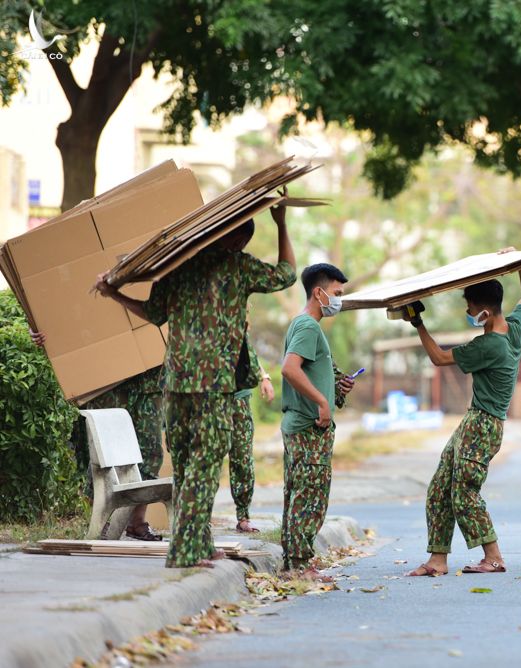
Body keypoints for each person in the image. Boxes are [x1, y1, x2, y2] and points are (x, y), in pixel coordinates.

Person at [93, 202, 296, 568]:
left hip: (176, 384)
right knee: (205, 467)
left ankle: (200, 544)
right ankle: (184, 552)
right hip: (212, 386)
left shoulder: (178, 266)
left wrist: (115, 294)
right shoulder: (238, 266)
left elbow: (154, 314)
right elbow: (286, 274)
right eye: (243, 242)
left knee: (186, 467)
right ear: (235, 241)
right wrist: (281, 223)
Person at [404, 249, 521, 577]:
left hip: (484, 424)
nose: (467, 312)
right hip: (474, 421)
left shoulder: (489, 346)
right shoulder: (514, 327)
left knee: (464, 491)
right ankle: (437, 559)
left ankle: (493, 556)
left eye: (470, 308)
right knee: (439, 488)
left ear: (485, 312)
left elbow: (438, 357)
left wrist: (417, 321)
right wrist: (519, 263)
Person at [30, 331, 165, 541]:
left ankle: (137, 522)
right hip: (106, 378)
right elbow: (59, 309)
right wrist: (41, 329)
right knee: (104, 454)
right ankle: (99, 521)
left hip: (148, 377)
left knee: (151, 451)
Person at [279, 263, 355, 580]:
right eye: (336, 294)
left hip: (307, 425)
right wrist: (321, 401)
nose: (339, 300)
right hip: (308, 427)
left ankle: (296, 563)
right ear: (318, 292)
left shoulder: (307, 326)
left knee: (302, 493)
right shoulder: (308, 326)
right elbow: (289, 369)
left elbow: (309, 374)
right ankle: (299, 565)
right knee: (310, 496)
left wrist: (336, 390)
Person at [230, 329, 275, 534]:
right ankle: (199, 517)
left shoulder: (241, 328)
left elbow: (249, 355)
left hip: (239, 399)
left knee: (242, 458)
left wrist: (264, 377)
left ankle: (243, 516)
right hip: (210, 400)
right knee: (205, 460)